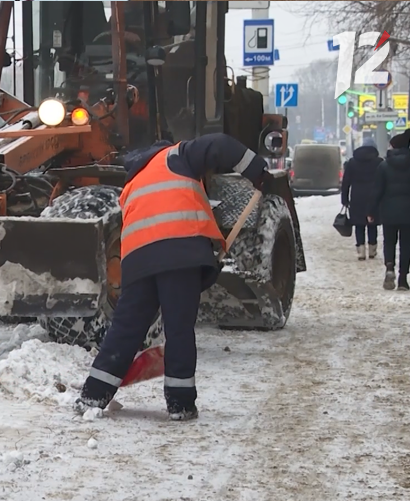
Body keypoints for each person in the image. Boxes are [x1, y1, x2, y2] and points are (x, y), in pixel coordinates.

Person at [77, 133, 269, 421]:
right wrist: (256, 170)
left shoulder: (132, 182)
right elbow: (221, 144)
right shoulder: (178, 155)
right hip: (179, 252)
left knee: (126, 329)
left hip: (137, 262)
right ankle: (180, 404)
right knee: (178, 328)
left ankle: (93, 395)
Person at [368, 129, 410, 291]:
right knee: (406, 244)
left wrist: (371, 211)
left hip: (388, 211)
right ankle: (403, 279)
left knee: (389, 241)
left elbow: (377, 190)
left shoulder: (383, 166)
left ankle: (389, 267)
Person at [341, 138, 382, 260]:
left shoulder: (352, 162)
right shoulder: (379, 162)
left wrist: (344, 198)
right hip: (374, 196)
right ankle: (372, 249)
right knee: (372, 223)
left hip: (357, 197)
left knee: (359, 224)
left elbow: (346, 182)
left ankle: (361, 251)